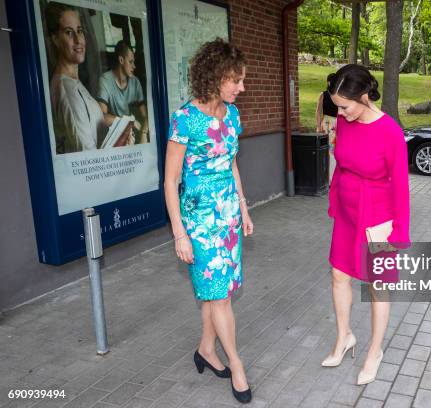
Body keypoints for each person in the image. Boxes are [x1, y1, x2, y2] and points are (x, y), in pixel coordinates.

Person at [164, 38, 253, 404]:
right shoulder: (185, 119)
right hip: (199, 224)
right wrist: (179, 234)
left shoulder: (231, 115)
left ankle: (206, 350)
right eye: (237, 80)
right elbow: (170, 180)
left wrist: (245, 209)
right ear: (216, 78)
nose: (242, 87)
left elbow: (231, 164)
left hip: (229, 217)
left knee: (219, 293)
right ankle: (236, 365)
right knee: (219, 298)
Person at [322, 64, 410, 385]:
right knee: (338, 275)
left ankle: (375, 350)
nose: (340, 114)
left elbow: (400, 186)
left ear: (363, 97)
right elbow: (342, 164)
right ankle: (344, 336)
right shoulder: (346, 121)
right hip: (347, 211)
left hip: (378, 216)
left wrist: (399, 231)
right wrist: (335, 198)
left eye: (344, 106)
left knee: (378, 284)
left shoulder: (390, 132)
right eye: (336, 107)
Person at [46, 2, 107, 154]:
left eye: (79, 31)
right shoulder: (67, 91)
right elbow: (87, 158)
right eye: (69, 32)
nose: (78, 40)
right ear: (55, 39)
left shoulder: (73, 81)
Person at [97, 40, 149, 144]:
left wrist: (144, 133)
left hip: (134, 136)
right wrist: (129, 122)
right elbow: (102, 117)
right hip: (114, 138)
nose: (134, 66)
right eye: (130, 62)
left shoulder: (135, 82)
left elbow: (145, 116)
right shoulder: (105, 81)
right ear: (121, 60)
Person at [315, 73, 338, 145]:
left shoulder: (340, 95)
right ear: (328, 82)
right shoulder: (323, 95)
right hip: (326, 123)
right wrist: (318, 126)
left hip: (338, 122)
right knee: (326, 145)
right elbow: (318, 111)